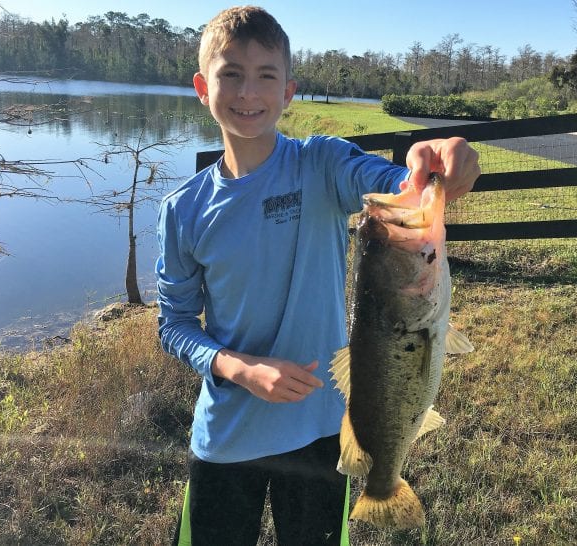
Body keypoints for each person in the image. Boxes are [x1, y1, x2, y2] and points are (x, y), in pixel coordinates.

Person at [155, 6, 480, 545]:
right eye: (230, 73)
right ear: (201, 86)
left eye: (266, 76)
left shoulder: (321, 164)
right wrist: (240, 369)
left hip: (324, 432)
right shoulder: (183, 209)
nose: (247, 93)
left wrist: (432, 169)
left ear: (288, 92)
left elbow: (393, 185)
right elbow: (174, 324)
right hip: (226, 436)